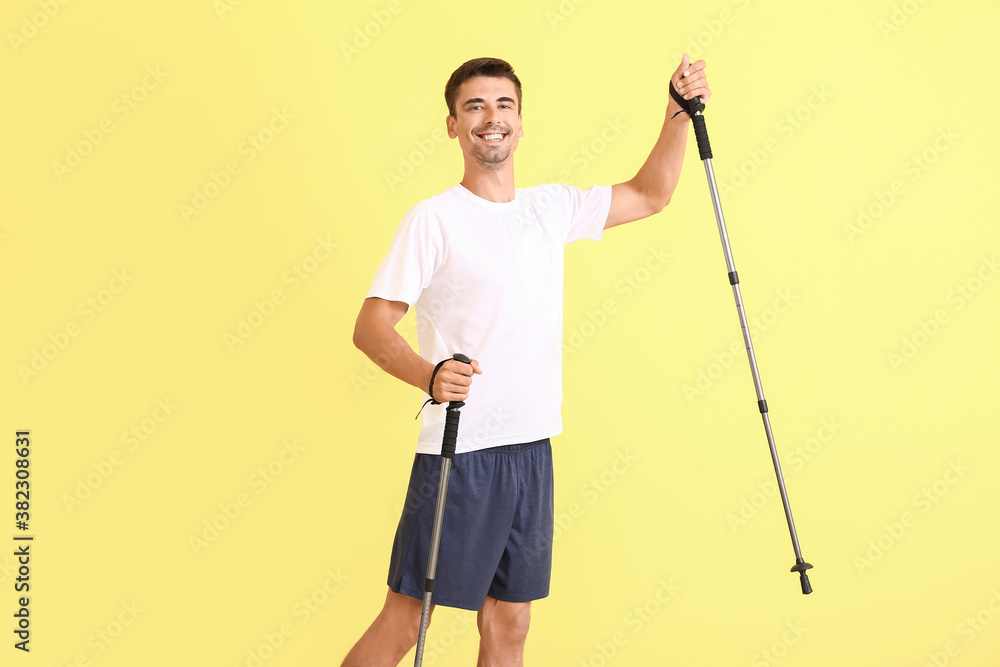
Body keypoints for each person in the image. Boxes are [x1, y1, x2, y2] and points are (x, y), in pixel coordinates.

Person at [344, 55, 711, 667]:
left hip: (531, 447)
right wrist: (429, 378)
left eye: (503, 105)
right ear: (453, 125)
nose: (492, 118)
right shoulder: (434, 220)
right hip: (462, 453)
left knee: (511, 625)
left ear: (520, 119)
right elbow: (371, 326)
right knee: (408, 620)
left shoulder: (550, 209)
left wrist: (678, 113)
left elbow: (651, 195)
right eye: (475, 106)